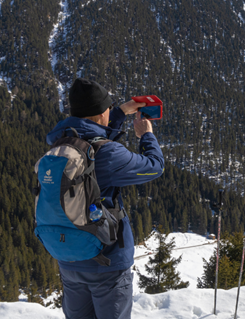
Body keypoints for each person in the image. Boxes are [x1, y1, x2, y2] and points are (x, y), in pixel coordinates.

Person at [46, 78, 164, 319]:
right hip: (106, 260)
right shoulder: (108, 154)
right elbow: (154, 167)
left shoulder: (60, 143)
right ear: (101, 113)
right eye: (108, 108)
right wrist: (146, 137)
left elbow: (92, 138)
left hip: (68, 256)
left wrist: (119, 112)